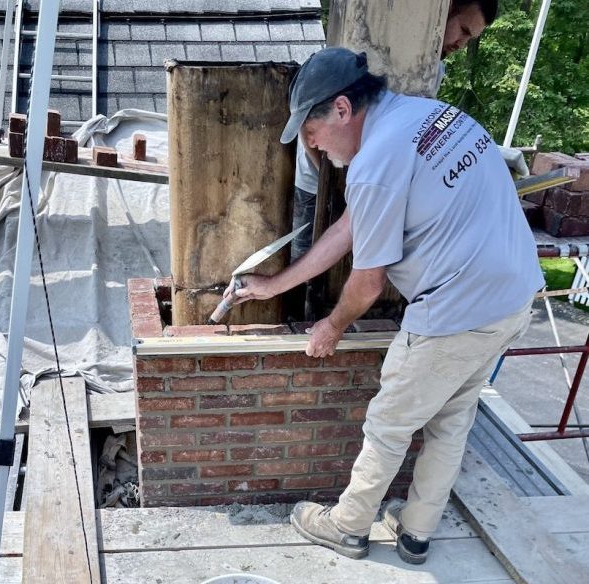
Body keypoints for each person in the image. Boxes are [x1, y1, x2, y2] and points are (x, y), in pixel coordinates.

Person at [224, 47, 544, 564]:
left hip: (455, 312)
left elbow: (367, 283)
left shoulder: (374, 162)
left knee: (388, 425)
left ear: (344, 110)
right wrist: (275, 285)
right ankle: (417, 533)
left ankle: (347, 526)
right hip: (511, 298)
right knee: (452, 419)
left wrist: (331, 326)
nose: (314, 148)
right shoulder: (432, 117)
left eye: (312, 132)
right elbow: (354, 225)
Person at [290, 0, 505, 264]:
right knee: (304, 262)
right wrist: (334, 183)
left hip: (370, 185)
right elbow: (307, 123)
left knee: (345, 260)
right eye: (462, 29)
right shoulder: (363, 52)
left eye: (470, 37)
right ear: (443, 11)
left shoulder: (431, 71)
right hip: (315, 181)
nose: (462, 43)